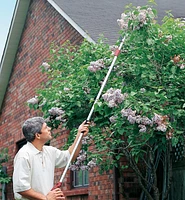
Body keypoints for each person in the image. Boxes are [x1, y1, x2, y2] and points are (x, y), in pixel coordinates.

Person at [13, 117, 89, 200]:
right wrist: (46, 198)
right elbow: (21, 188)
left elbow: (70, 156)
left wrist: (79, 135)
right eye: (46, 127)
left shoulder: (49, 151)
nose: (49, 129)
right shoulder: (23, 155)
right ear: (38, 135)